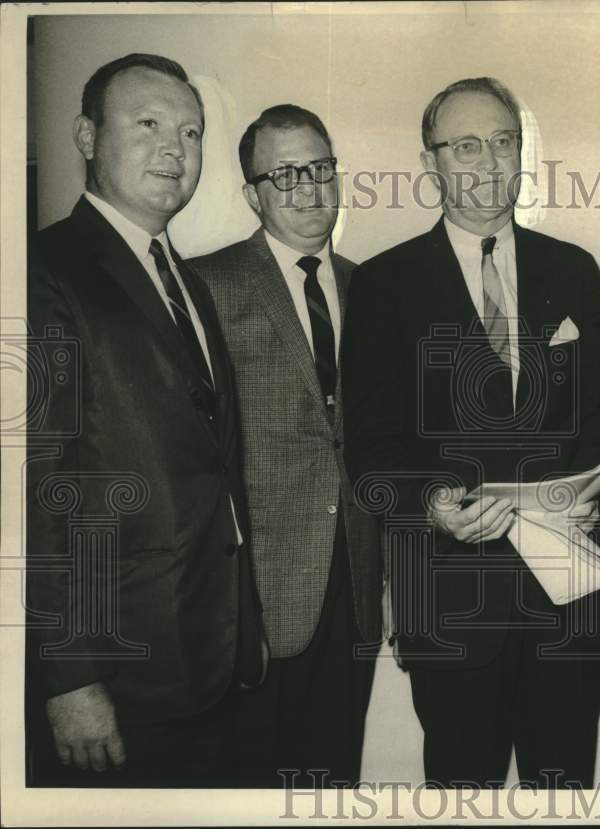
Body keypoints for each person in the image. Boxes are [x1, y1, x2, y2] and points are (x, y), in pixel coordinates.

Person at [341, 77, 600, 788]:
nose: (490, 162)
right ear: (431, 162)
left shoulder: (575, 272)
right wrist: (432, 503)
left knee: (567, 790)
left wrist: (593, 492)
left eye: (504, 142)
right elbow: (371, 444)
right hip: (449, 596)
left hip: (567, 594)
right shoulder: (383, 283)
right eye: (466, 146)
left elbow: (597, 425)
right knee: (463, 792)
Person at [26, 53, 264, 787]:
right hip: (119, 673)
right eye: (150, 124)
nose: (176, 148)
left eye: (192, 133)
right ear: (88, 136)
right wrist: (68, 676)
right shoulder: (43, 272)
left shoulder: (185, 279)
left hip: (214, 660)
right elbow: (36, 488)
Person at [190, 105, 382, 787]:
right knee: (250, 786)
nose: (309, 189)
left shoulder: (371, 287)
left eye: (321, 169)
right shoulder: (206, 284)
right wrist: (230, 605)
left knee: (332, 781)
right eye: (286, 174)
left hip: (355, 583)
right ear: (253, 194)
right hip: (257, 597)